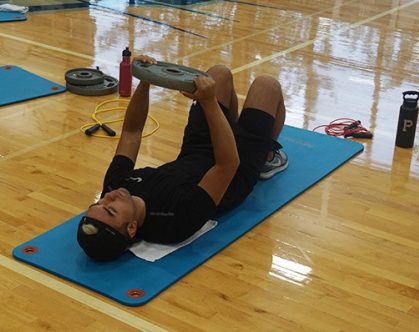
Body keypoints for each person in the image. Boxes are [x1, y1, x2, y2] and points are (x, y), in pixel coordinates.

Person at [77, 55, 288, 261]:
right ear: (132, 228)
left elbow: (132, 132)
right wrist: (209, 103)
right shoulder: (176, 220)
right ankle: (267, 158)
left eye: (98, 203)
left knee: (217, 74)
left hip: (195, 151)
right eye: (111, 209)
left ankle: (229, 128)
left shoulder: (114, 187)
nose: (108, 197)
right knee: (266, 85)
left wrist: (145, 80)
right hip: (235, 170)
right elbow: (227, 164)